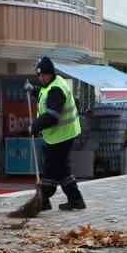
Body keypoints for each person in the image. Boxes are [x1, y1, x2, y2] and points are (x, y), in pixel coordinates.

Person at [29, 56, 86, 211]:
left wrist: (35, 126)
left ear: (49, 74)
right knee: (61, 169)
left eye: (42, 75)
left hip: (62, 135)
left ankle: (43, 199)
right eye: (38, 76)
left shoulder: (56, 89)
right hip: (59, 135)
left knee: (52, 168)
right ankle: (75, 200)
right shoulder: (53, 84)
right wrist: (34, 91)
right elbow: (44, 94)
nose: (40, 78)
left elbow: (53, 116)